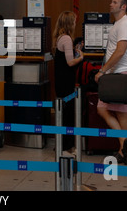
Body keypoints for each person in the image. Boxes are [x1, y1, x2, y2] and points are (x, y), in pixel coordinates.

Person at [95, 0, 127, 165]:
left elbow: (120, 51)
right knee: (121, 112)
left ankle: (124, 144)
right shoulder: (119, 23)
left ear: (123, 6)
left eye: (114, 2)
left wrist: (103, 71)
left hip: (121, 73)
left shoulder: (125, 24)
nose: (110, 4)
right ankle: (124, 146)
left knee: (103, 109)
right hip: (120, 73)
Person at [52, 11, 84, 155]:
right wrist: (81, 57)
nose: (76, 23)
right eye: (74, 21)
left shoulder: (60, 37)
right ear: (70, 23)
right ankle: (66, 147)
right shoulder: (66, 39)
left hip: (60, 80)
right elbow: (70, 62)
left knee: (64, 112)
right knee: (68, 113)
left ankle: (64, 144)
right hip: (66, 82)